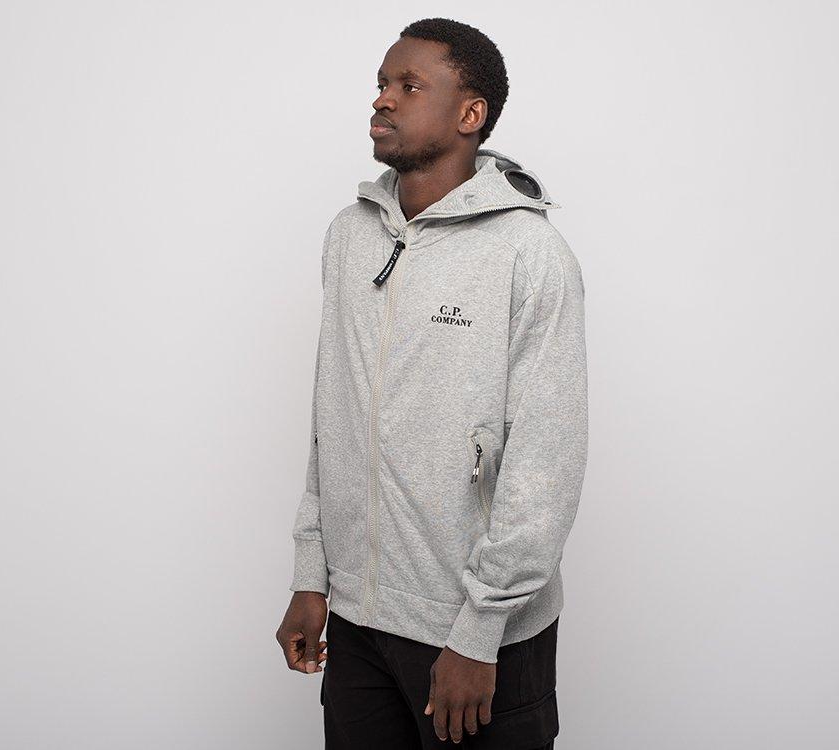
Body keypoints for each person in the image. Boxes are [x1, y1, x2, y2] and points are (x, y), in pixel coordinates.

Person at [276, 17, 589, 749]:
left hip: (473, 634)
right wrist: (312, 574)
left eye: (409, 86)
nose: (383, 99)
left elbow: (546, 461)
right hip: (356, 622)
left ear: (469, 114)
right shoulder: (349, 236)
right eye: (382, 83)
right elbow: (333, 415)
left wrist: (481, 631)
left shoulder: (530, 254)